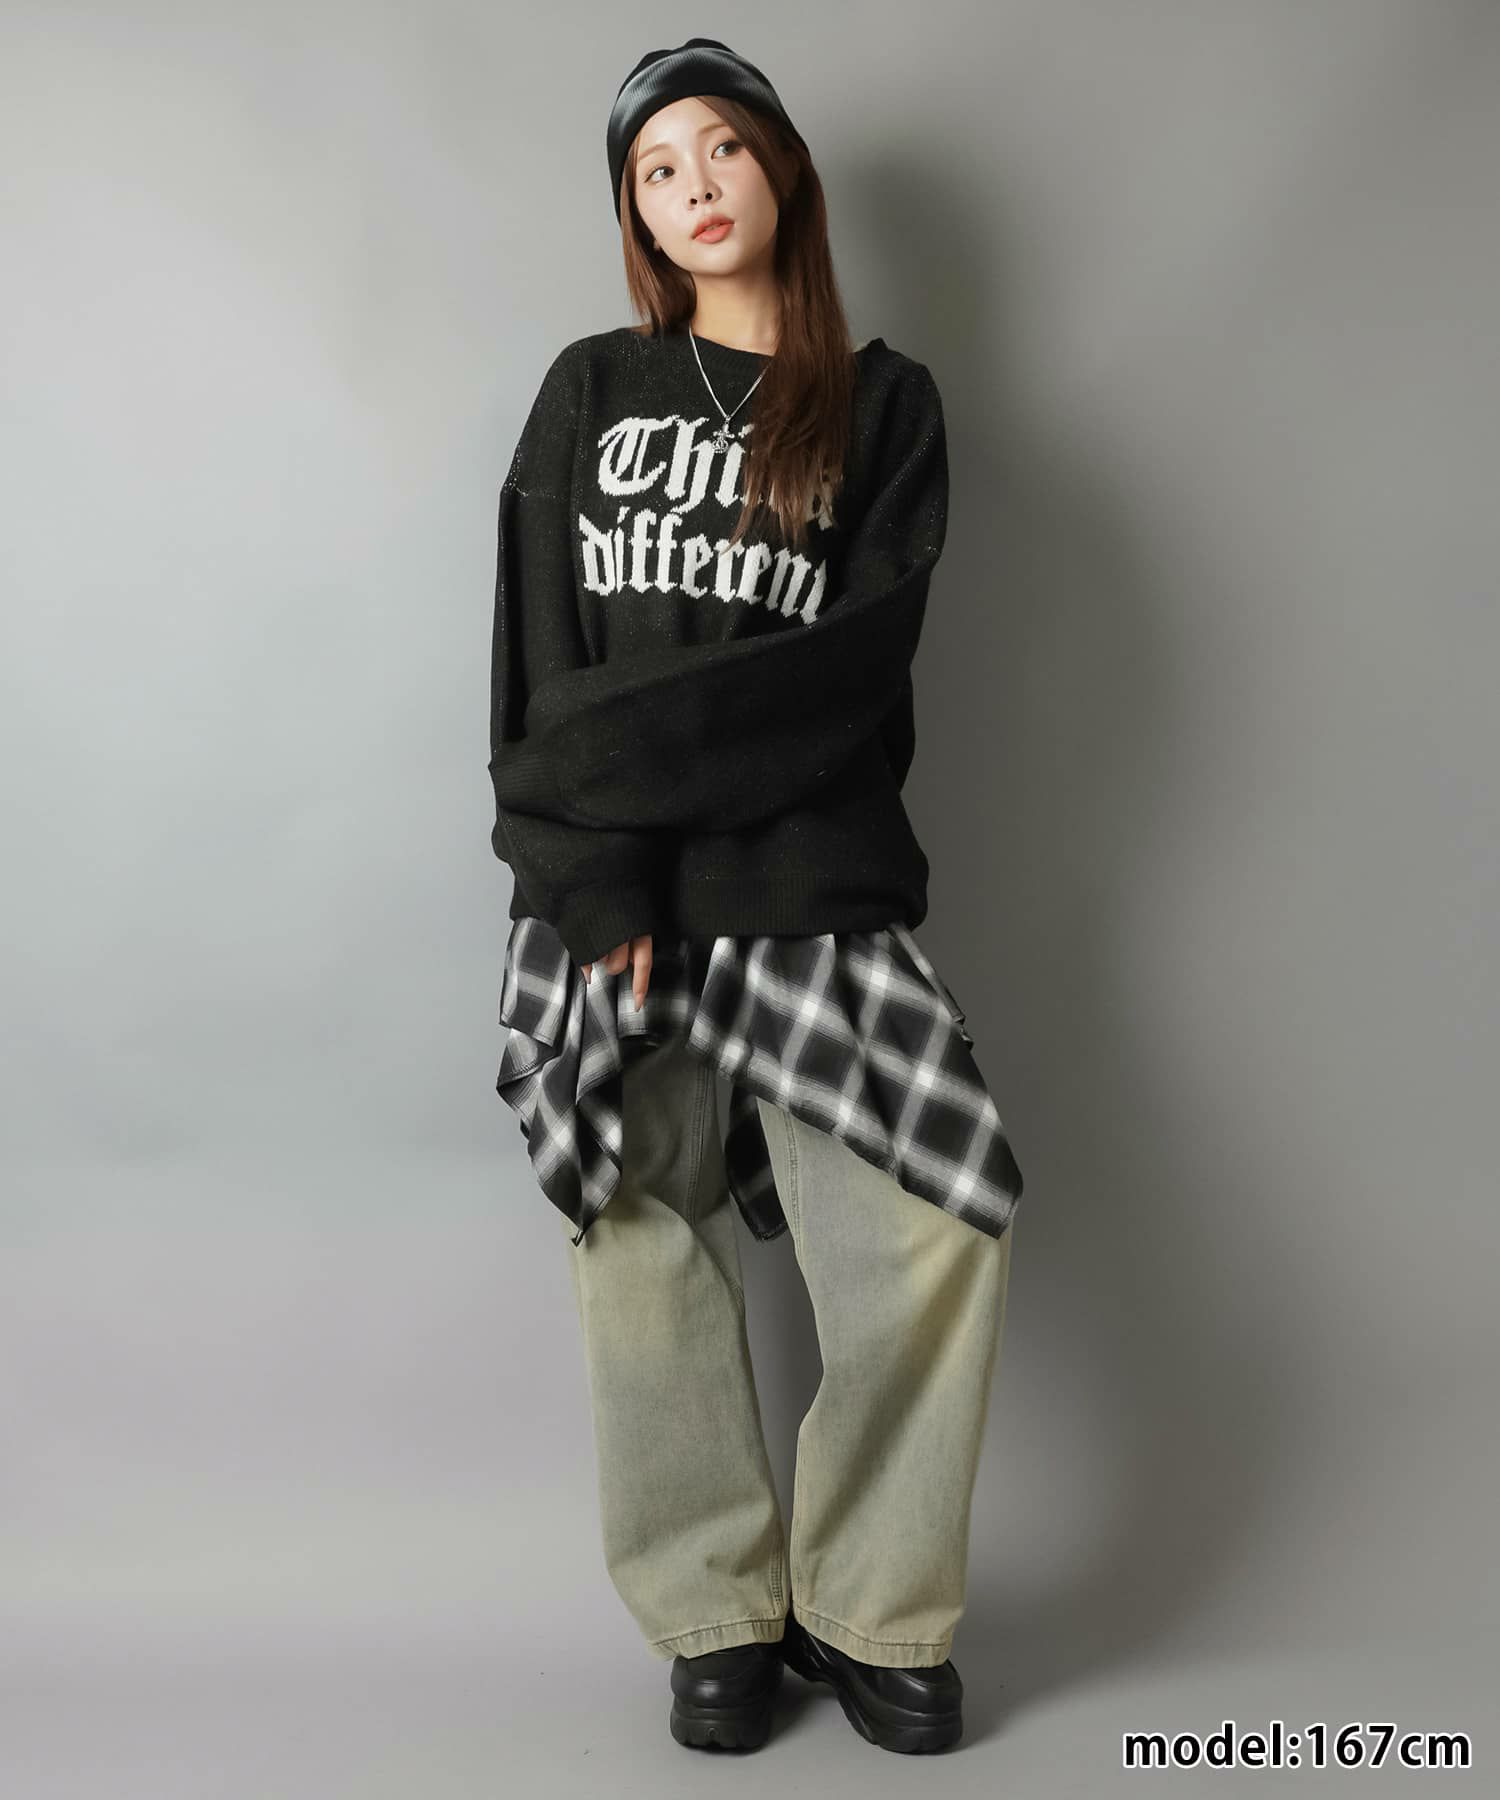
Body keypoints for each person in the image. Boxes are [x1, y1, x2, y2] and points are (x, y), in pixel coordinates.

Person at [487, 36, 1026, 1756]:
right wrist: (597, 880)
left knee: (936, 1221)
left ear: (783, 167)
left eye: (719, 147)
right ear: (637, 219)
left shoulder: (885, 406)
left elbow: (837, 679)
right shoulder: (590, 389)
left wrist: (614, 750)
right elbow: (536, 665)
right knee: (637, 1229)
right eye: (655, 170)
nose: (692, 185)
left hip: (806, 882)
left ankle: (870, 1607)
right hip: (609, 892)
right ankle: (714, 1613)